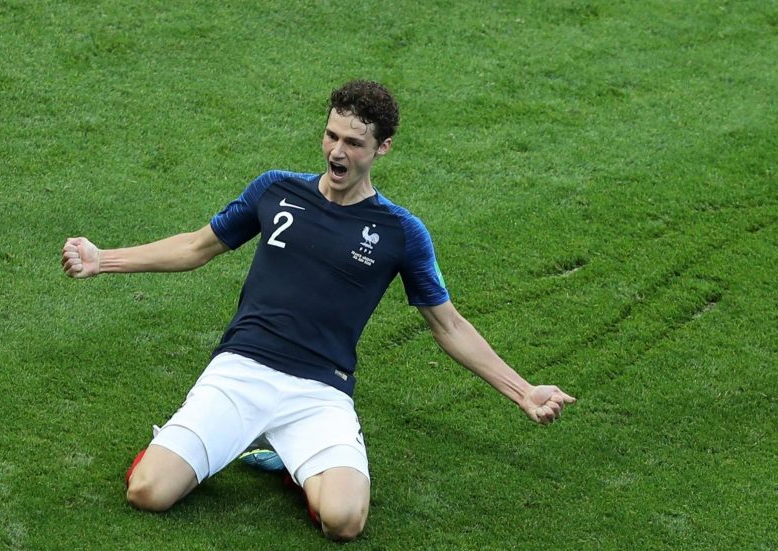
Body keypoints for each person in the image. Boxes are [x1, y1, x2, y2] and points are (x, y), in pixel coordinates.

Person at [61, 80, 575, 541]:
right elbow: (198, 247)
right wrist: (105, 260)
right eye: (332, 136)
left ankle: (290, 463)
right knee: (148, 493)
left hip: (320, 391)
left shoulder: (400, 232)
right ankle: (197, 449)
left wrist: (523, 390)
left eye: (353, 142)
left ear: (382, 148)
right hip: (242, 371)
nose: (337, 151)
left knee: (344, 521)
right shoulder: (275, 189)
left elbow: (449, 325)